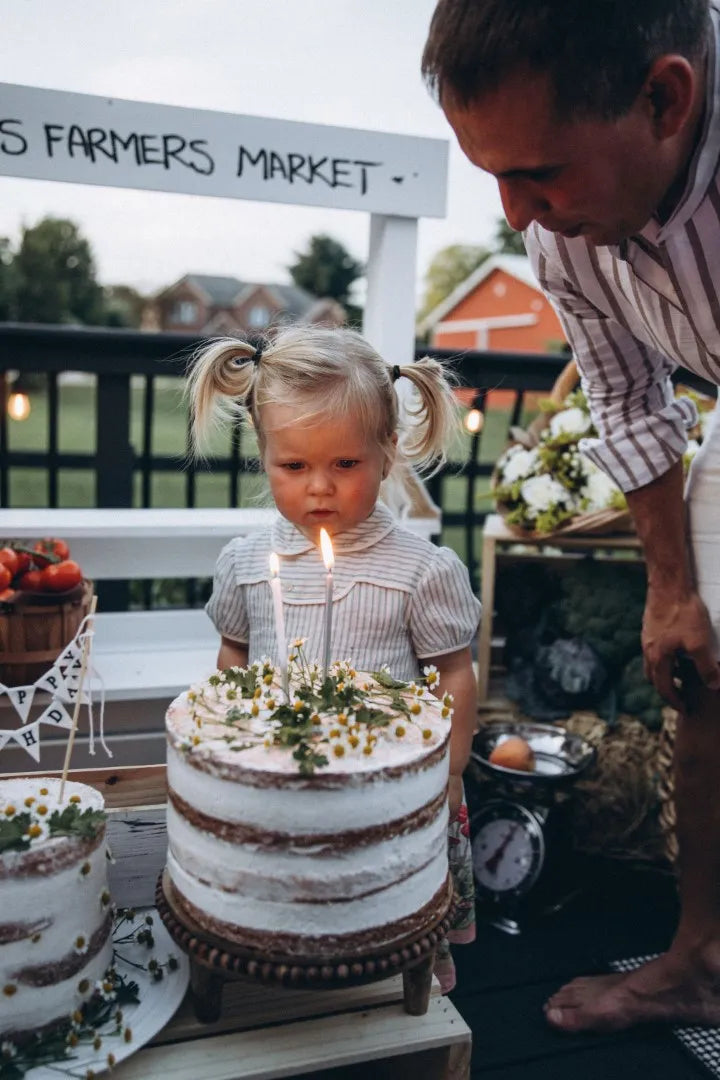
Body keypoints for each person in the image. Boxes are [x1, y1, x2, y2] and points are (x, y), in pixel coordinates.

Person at [422, 0, 720, 1033]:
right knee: (703, 670)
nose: (513, 213)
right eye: (492, 173)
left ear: (665, 98)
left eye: (538, 172)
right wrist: (675, 590)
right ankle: (702, 962)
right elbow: (633, 402)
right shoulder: (563, 242)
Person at [188, 325, 481, 992]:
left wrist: (453, 769)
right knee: (293, 892)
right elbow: (234, 654)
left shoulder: (419, 572)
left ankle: (415, 964)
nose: (319, 488)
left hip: (390, 787)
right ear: (264, 455)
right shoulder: (245, 566)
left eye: (345, 465)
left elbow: (454, 671)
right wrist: (227, 740)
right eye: (294, 467)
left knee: (393, 893)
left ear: (387, 453)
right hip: (283, 783)